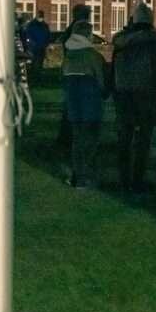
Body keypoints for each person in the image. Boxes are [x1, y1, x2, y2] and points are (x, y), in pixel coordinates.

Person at [113, 3, 156, 193]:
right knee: (144, 138)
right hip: (147, 94)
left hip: (124, 94)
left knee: (125, 139)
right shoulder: (155, 43)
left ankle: (123, 179)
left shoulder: (121, 43)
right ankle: (137, 179)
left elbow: (114, 70)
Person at [61, 20, 107, 188]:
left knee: (78, 138)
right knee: (92, 138)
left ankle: (78, 174)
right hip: (91, 101)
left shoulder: (68, 56)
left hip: (73, 103)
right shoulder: (92, 55)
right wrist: (104, 92)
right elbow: (101, 79)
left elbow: (63, 79)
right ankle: (83, 174)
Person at [56, 4, 93, 153]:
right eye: (86, 13)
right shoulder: (77, 31)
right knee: (75, 109)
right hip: (78, 74)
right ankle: (69, 140)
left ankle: (67, 138)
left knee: (71, 107)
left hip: (71, 73)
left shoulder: (71, 30)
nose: (88, 16)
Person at [24, 10, 52, 81]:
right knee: (36, 63)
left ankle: (36, 78)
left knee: (38, 63)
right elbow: (29, 36)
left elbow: (47, 36)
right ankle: (35, 78)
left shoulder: (33, 25)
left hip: (39, 47)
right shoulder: (35, 25)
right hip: (35, 48)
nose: (41, 18)